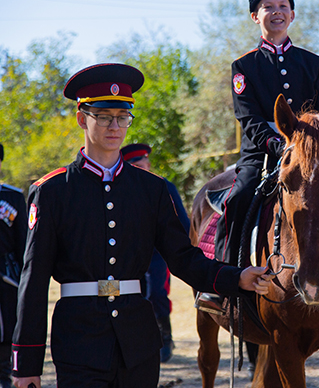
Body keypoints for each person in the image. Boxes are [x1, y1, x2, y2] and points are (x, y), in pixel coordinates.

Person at [11, 63, 273, 388]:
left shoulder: (152, 189)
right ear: (82, 118)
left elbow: (183, 259)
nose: (115, 126)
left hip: (138, 342)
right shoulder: (52, 191)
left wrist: (238, 278)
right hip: (79, 341)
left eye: (123, 118)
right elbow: (33, 280)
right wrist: (26, 364)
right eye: (104, 117)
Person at [214, 0, 319, 266]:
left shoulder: (312, 62)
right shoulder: (243, 66)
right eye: (268, 6)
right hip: (262, 154)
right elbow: (248, 117)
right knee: (237, 199)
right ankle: (222, 281)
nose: (276, 12)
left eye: (283, 5)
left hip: (311, 151)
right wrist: (277, 145)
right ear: (255, 16)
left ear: (292, 14)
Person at [121, 143, 188, 363]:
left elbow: (182, 222)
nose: (142, 168)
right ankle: (140, 340)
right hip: (129, 253)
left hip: (158, 252)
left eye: (144, 164)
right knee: (134, 296)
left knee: (156, 294)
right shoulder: (121, 186)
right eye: (136, 166)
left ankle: (165, 337)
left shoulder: (164, 186)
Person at [0, 145, 27, 388]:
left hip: (7, 274)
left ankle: (4, 373)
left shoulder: (13, 197)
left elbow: (23, 242)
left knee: (9, 323)